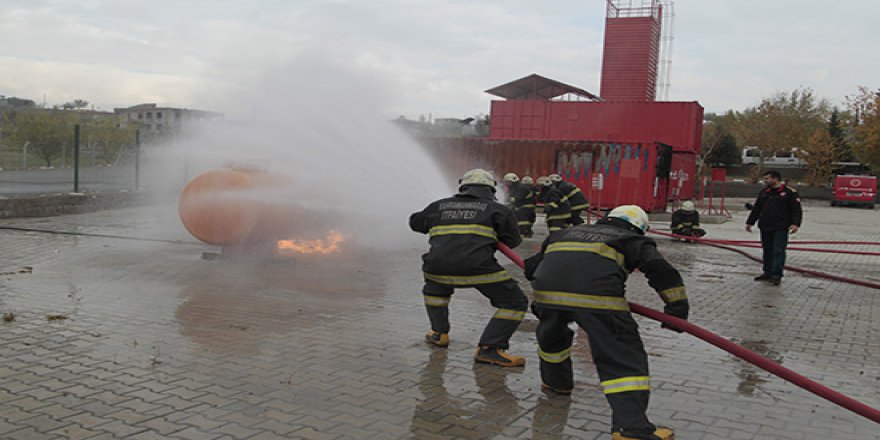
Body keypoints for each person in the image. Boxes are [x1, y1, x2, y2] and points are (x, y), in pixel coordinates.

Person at [524, 205, 687, 440]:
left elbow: (531, 267)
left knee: (553, 338)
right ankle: (632, 429)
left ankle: (556, 383)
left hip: (547, 297)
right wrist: (677, 308)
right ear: (640, 228)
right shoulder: (632, 239)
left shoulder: (565, 233)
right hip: (598, 301)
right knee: (623, 359)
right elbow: (661, 271)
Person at [409, 168, 529, 367]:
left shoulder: (439, 206)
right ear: (491, 190)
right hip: (478, 270)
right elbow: (512, 241)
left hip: (437, 269)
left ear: (463, 187)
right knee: (514, 301)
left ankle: (439, 333)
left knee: (435, 290)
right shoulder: (499, 210)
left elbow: (416, 223)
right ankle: (490, 349)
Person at [745, 170, 803, 286]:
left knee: (778, 251)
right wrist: (750, 222)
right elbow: (757, 209)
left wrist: (795, 224)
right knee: (767, 251)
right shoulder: (764, 192)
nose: (765, 181)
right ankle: (767, 272)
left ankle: (776, 275)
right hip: (765, 226)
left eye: (767, 179)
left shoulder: (789, 193)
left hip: (780, 227)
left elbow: (796, 210)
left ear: (775, 179)